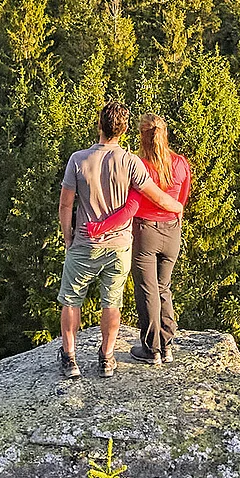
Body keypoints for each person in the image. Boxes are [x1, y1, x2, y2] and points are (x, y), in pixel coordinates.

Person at [56, 102, 179, 379]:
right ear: (123, 130)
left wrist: (68, 236)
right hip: (119, 245)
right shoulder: (131, 162)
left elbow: (66, 205)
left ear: (99, 125)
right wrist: (177, 207)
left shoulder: (78, 160)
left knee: (71, 301)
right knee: (111, 302)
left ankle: (70, 358)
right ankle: (107, 357)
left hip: (85, 242)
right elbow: (156, 196)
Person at [84, 113, 190, 366]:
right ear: (165, 133)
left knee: (147, 290)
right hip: (172, 230)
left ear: (141, 136)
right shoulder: (180, 163)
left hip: (145, 232)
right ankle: (166, 344)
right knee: (163, 287)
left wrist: (99, 227)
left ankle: (151, 349)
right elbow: (181, 200)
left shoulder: (141, 165)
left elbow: (131, 207)